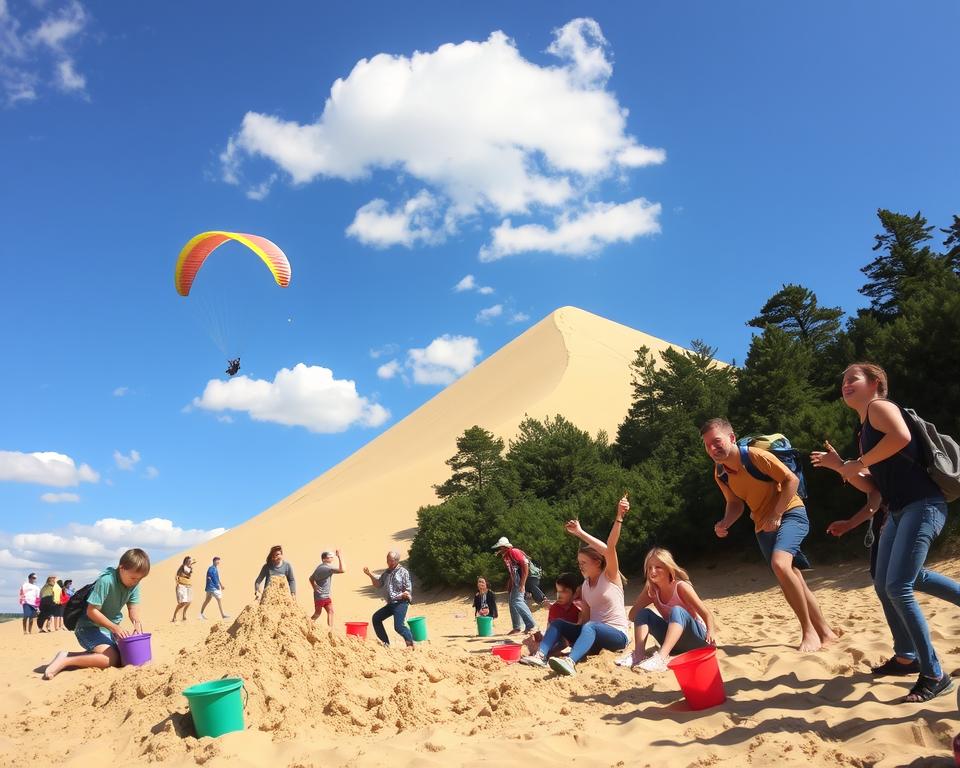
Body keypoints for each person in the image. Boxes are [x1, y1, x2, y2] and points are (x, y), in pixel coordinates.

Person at [811, 362, 960, 702]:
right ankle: (906, 655)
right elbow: (874, 488)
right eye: (843, 380)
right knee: (887, 580)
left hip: (923, 505)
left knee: (898, 585)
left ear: (875, 383)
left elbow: (902, 437)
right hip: (897, 510)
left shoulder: (880, 407)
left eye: (853, 378)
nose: (845, 384)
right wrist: (841, 468)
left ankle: (934, 674)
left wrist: (856, 463)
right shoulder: (863, 430)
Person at [701, 417, 838, 653]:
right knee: (791, 577)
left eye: (717, 441)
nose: (713, 448)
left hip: (791, 513)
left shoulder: (755, 456)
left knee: (780, 564)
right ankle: (826, 632)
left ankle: (809, 632)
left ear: (732, 438)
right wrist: (724, 522)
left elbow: (790, 480)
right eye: (707, 445)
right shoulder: (720, 472)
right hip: (762, 527)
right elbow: (735, 503)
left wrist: (776, 514)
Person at [520, 497, 631, 676]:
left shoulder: (610, 576)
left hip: (617, 637)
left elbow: (609, 548)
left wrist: (582, 532)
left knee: (591, 626)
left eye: (584, 562)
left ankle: (571, 662)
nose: (580, 566)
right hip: (594, 636)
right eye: (578, 563)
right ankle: (541, 655)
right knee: (559, 624)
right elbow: (585, 620)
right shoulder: (585, 587)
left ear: (597, 561)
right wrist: (569, 636)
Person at [42, 548, 150, 680]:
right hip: (88, 627)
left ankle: (68, 655)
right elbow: (91, 611)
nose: (135, 582)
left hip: (109, 629)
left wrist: (136, 623)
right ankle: (65, 662)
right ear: (121, 568)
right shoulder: (106, 581)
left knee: (124, 656)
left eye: (139, 579)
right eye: (133, 577)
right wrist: (115, 628)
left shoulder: (134, 584)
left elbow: (133, 607)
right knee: (112, 659)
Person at [617, 547, 718, 670]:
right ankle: (638, 655)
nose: (652, 571)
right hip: (674, 645)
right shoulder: (653, 591)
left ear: (668, 568)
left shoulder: (681, 587)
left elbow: (706, 614)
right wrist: (645, 594)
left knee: (677, 610)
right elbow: (632, 616)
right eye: (649, 568)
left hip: (696, 640)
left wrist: (710, 631)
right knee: (644, 613)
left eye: (658, 567)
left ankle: (661, 658)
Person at [363, 551, 414, 647]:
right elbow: (378, 584)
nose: (388, 563)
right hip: (391, 603)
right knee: (376, 618)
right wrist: (369, 574)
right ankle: (385, 643)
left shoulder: (403, 572)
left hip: (401, 603)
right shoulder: (386, 572)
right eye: (387, 560)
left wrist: (405, 594)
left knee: (398, 627)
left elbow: (408, 588)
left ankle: (410, 645)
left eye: (390, 561)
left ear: (396, 560)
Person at [525, 572, 581, 656]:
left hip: (574, 640)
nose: (559, 595)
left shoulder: (579, 607)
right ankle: (544, 653)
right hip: (559, 640)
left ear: (575, 593)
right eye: (558, 591)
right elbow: (550, 628)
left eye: (564, 591)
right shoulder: (555, 608)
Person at [491, 537, 538, 636]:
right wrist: (511, 584)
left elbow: (525, 566)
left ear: (504, 547)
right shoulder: (506, 556)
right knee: (513, 602)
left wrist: (522, 584)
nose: (499, 550)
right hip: (516, 581)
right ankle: (517, 627)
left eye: (500, 548)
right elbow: (512, 571)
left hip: (522, 579)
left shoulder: (514, 552)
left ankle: (531, 625)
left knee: (518, 601)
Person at [310, 550, 345, 626]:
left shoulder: (320, 567)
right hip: (320, 596)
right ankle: (307, 624)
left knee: (330, 611)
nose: (332, 558)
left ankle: (330, 630)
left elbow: (311, 578)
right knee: (317, 613)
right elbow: (342, 570)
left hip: (325, 595)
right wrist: (339, 557)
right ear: (324, 559)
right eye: (330, 557)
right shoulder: (326, 568)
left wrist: (314, 586)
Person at [171, 557, 195, 622]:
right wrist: (177, 582)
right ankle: (174, 616)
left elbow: (189, 574)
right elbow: (185, 571)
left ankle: (184, 615)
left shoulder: (189, 567)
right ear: (185, 561)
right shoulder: (183, 567)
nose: (189, 562)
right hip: (182, 585)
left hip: (188, 585)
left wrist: (191, 567)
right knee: (182, 602)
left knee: (189, 601)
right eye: (188, 561)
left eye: (190, 561)